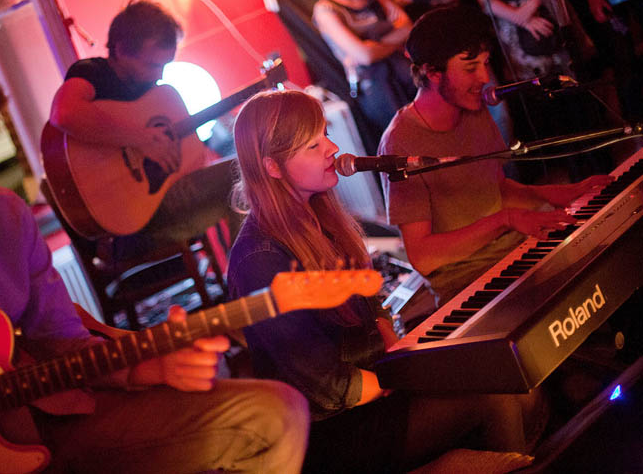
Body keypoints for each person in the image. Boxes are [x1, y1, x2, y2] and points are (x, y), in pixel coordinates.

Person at [0, 47, 310, 473]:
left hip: (64, 420)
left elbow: (63, 345)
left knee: (277, 414)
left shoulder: (6, 215)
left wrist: (146, 369)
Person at [226, 88, 540, 473]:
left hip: (376, 388)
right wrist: (407, 379)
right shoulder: (258, 260)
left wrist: (391, 340)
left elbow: (368, 296)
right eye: (313, 145)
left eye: (325, 134)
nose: (332, 148)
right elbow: (325, 386)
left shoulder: (317, 214)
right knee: (496, 394)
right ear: (272, 167)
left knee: (512, 378)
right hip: (335, 431)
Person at [378, 6, 612, 305]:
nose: (485, 77)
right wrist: (506, 220)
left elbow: (496, 190)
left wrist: (565, 193)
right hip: (468, 283)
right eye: (470, 67)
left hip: (515, 254)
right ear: (432, 72)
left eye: (486, 63)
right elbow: (423, 256)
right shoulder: (400, 142)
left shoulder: (473, 108)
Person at [49, 0, 240, 260]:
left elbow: (188, 167)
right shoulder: (93, 73)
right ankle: (254, 277)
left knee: (243, 181)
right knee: (240, 174)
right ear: (121, 50)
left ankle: (250, 272)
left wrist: (181, 158)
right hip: (128, 231)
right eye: (152, 65)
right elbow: (64, 113)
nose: (159, 75)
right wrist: (140, 138)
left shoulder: (155, 93)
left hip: (156, 208)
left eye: (164, 66)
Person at [312, 0, 416, 155]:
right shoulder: (325, 10)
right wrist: (383, 43)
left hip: (402, 71)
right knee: (404, 146)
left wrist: (373, 45)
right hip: (374, 86)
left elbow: (407, 27)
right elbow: (364, 57)